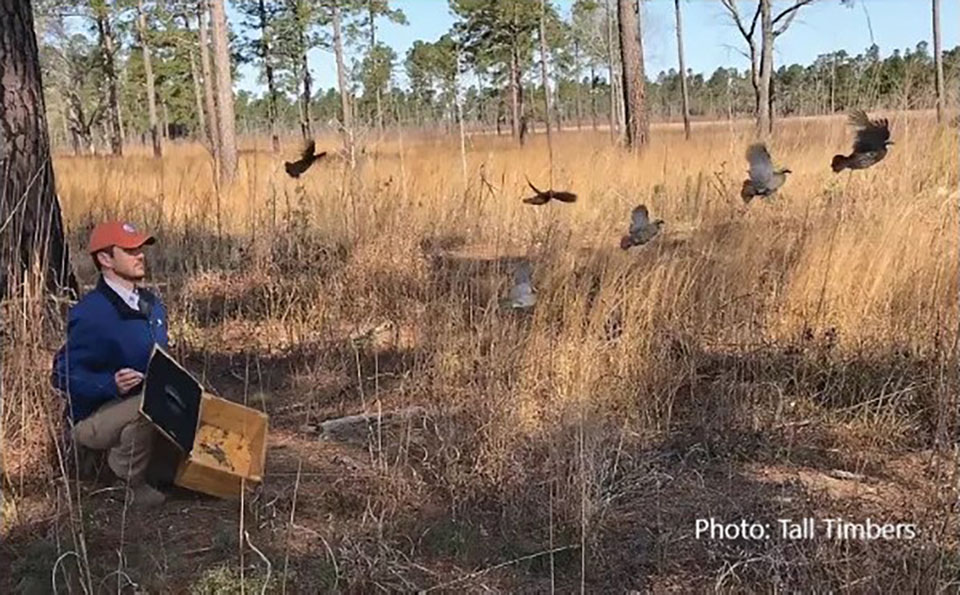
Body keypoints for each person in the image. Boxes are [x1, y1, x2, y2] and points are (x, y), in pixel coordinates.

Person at [51, 221, 169, 507]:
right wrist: (108, 384)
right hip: (93, 418)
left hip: (136, 408)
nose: (139, 254)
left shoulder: (152, 305)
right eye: (129, 250)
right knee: (151, 404)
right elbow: (61, 375)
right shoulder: (93, 313)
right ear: (105, 259)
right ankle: (125, 483)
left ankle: (153, 466)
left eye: (140, 248)